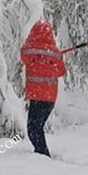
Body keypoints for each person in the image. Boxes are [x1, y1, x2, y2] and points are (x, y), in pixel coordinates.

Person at [20, 20, 65, 157]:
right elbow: (61, 71)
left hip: (36, 97)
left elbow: (23, 55)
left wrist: (41, 55)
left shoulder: (30, 52)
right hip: (49, 99)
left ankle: (42, 155)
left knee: (33, 128)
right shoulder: (55, 54)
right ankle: (41, 154)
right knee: (36, 128)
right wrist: (52, 56)